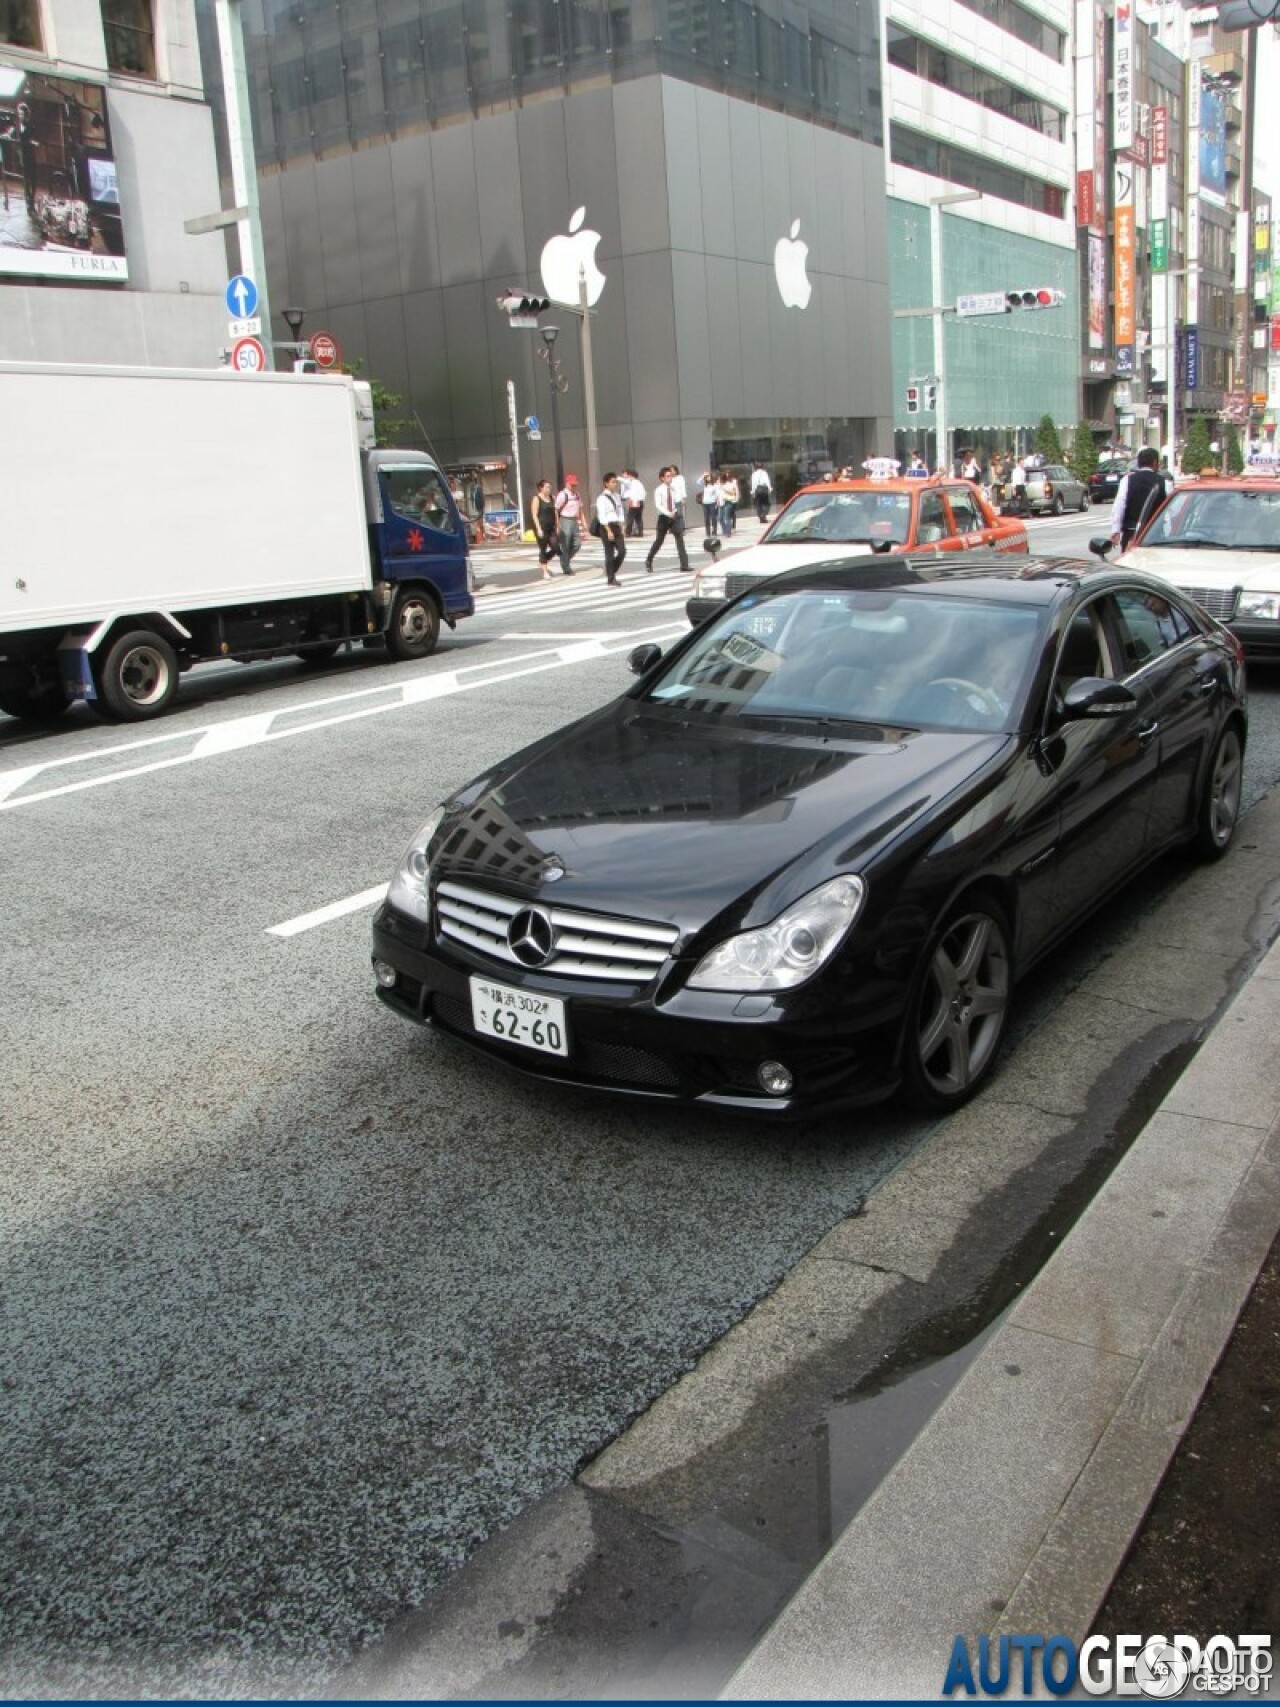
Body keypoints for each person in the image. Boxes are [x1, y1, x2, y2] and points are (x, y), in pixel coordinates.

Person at [1110, 447, 1167, 552]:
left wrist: (1115, 530)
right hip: (1155, 533)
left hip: (1131, 532)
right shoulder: (1164, 481)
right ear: (1155, 462)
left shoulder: (1127, 480)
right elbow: (1172, 510)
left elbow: (1119, 505)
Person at [646, 466, 691, 572]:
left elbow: (677, 501)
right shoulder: (658, 490)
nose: (670, 478)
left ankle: (684, 565)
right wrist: (668, 513)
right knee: (659, 540)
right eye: (667, 476)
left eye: (671, 476)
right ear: (662, 478)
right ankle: (649, 559)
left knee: (679, 539)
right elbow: (658, 505)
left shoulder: (674, 488)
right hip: (664, 517)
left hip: (674, 515)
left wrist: (676, 512)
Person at [597, 472, 627, 584]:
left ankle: (611, 572)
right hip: (606, 526)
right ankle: (611, 577)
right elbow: (602, 515)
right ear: (606, 484)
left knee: (622, 551)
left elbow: (620, 512)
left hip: (616, 525)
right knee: (609, 553)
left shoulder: (617, 496)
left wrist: (622, 526)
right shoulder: (601, 498)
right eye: (613, 482)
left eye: (616, 482)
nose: (615, 484)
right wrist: (608, 530)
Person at [529, 478, 559, 579]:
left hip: (551, 527)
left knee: (556, 548)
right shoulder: (536, 498)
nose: (549, 489)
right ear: (541, 488)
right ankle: (545, 572)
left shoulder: (552, 497)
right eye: (546, 487)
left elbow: (555, 512)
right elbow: (534, 514)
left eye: (549, 487)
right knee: (543, 548)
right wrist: (538, 528)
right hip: (541, 527)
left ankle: (543, 560)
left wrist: (558, 525)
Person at [553, 473, 581, 576]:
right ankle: (566, 567)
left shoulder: (577, 494)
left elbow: (580, 508)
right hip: (565, 519)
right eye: (572, 484)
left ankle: (564, 560)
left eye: (575, 485)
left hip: (574, 520)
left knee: (577, 544)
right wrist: (558, 523)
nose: (574, 486)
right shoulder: (562, 494)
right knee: (565, 544)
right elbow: (555, 509)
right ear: (567, 484)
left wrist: (583, 521)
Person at [623, 470, 646, 537]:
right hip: (641, 502)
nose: (628, 477)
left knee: (630, 518)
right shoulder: (639, 483)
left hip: (634, 502)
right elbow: (644, 493)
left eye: (629, 476)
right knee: (639, 518)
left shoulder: (633, 483)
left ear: (631, 476)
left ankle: (628, 532)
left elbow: (631, 493)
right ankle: (640, 532)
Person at [698, 470, 720, 536]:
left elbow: (717, 494)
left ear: (711, 477)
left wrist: (717, 503)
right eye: (706, 477)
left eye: (709, 477)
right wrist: (703, 475)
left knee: (713, 518)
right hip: (705, 503)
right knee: (706, 518)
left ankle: (714, 531)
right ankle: (708, 532)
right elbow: (698, 482)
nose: (708, 478)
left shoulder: (714, 485)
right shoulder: (705, 485)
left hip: (712, 503)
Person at [718, 470, 739, 536]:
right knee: (720, 518)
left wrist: (724, 489)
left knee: (726, 518)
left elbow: (733, 493)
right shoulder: (720, 485)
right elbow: (718, 494)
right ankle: (724, 531)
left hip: (728, 502)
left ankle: (728, 532)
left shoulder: (730, 484)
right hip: (721, 503)